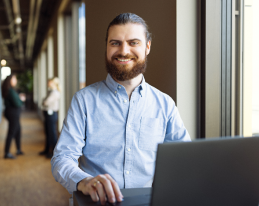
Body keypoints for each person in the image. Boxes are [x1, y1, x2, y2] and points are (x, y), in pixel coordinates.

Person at [51, 13, 191, 205]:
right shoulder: (83, 100)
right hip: (97, 202)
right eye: (115, 43)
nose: (123, 51)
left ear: (147, 47)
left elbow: (185, 161)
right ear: (107, 46)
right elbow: (62, 158)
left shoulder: (165, 104)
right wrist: (83, 181)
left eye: (134, 42)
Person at [1, 74, 26, 159]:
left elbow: (16, 100)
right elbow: (17, 103)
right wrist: (21, 100)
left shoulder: (11, 90)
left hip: (12, 113)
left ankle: (18, 149)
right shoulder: (10, 91)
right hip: (13, 113)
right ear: (10, 80)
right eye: (14, 79)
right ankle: (6, 153)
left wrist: (18, 99)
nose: (16, 81)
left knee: (18, 130)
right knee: (11, 132)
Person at [39, 77, 61, 158]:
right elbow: (44, 101)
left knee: (52, 134)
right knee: (48, 132)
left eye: (50, 82)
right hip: (48, 114)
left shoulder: (55, 93)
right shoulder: (50, 92)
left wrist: (44, 101)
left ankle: (53, 153)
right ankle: (47, 149)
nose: (48, 83)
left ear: (54, 83)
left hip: (51, 115)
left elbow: (45, 102)